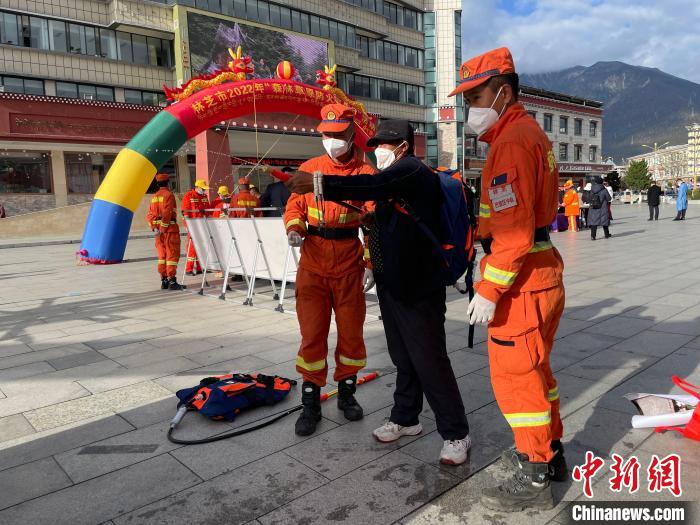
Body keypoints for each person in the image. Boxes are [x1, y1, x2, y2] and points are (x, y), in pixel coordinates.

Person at [286, 118, 472, 465]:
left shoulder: (411, 170)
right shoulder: (395, 177)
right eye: (376, 145)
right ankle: (406, 417)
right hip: (392, 284)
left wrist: (318, 182)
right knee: (403, 357)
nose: (380, 151)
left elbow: (372, 185)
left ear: (404, 145)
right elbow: (387, 217)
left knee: (430, 360)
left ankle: (456, 433)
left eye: (386, 144)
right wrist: (373, 228)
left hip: (419, 286)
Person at [449, 47, 566, 511]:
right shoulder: (524, 132)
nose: (470, 109)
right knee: (539, 374)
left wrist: (489, 289)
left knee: (518, 381)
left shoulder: (512, 142)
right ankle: (550, 453)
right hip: (539, 275)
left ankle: (534, 474)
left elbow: (514, 231)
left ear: (503, 92)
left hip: (521, 286)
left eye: (475, 97)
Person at [284, 104, 376, 437]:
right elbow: (294, 207)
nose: (331, 140)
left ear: (352, 135)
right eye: (326, 134)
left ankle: (347, 394)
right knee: (312, 333)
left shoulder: (366, 174)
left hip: (349, 261)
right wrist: (294, 228)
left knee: (351, 333)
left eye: (337, 135)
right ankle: (310, 402)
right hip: (313, 262)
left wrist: (370, 263)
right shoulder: (309, 169)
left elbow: (374, 222)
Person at [146, 173, 184, 290]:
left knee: (162, 255)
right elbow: (167, 213)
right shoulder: (169, 195)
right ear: (168, 183)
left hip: (158, 232)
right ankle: (172, 281)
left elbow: (149, 215)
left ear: (158, 184)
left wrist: (155, 228)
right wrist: (163, 228)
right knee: (172, 254)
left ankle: (164, 280)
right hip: (169, 230)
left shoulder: (154, 197)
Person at [181, 179, 210, 275]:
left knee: (202, 246)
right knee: (192, 247)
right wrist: (187, 225)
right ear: (197, 187)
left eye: (204, 189)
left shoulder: (204, 196)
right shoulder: (189, 196)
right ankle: (188, 269)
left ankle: (199, 268)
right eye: (203, 189)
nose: (204, 190)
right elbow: (185, 211)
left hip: (203, 225)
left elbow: (208, 210)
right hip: (193, 225)